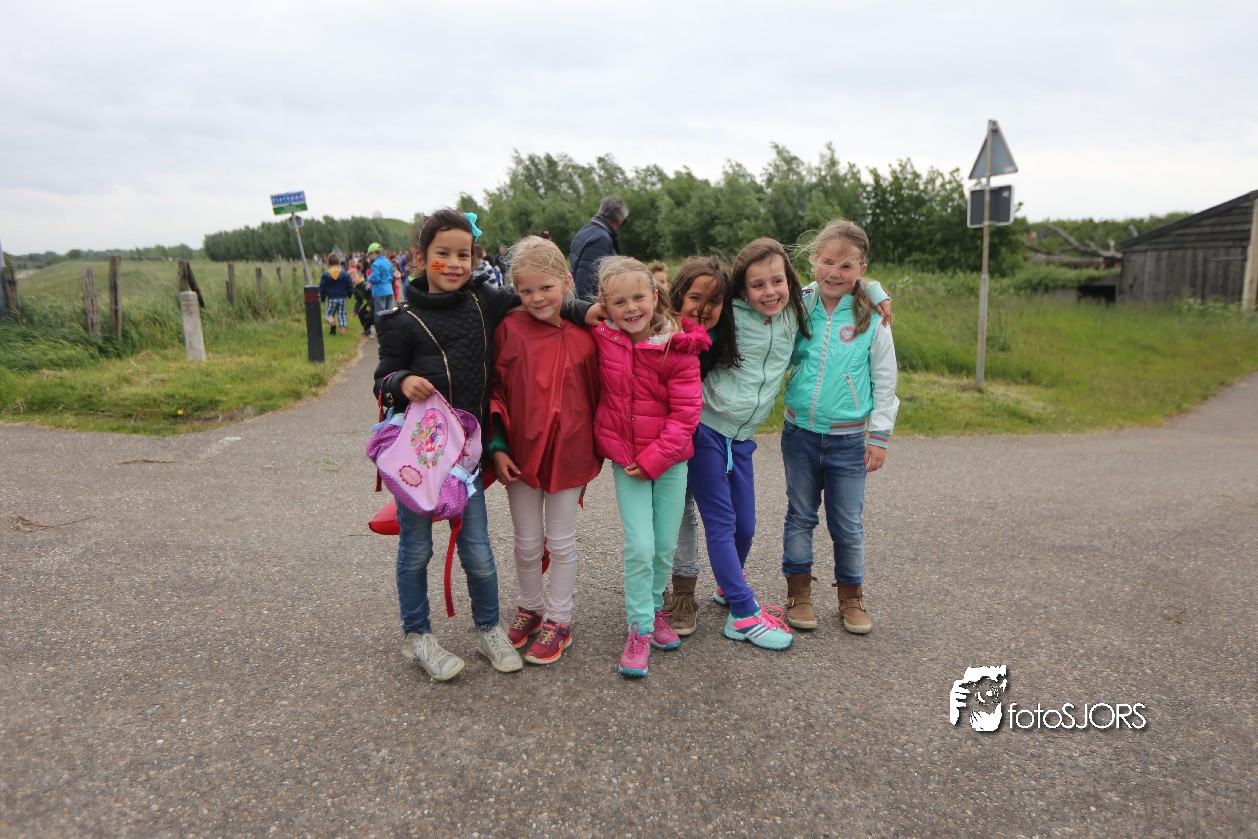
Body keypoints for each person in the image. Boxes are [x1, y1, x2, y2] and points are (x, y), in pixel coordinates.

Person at [373, 209, 597, 681]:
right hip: (420, 456)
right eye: (443, 254)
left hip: (467, 459)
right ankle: (417, 634)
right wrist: (402, 380)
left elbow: (542, 296)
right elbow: (383, 379)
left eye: (465, 254)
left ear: (475, 259)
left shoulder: (484, 301)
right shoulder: (399, 320)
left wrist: (583, 310)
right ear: (420, 257)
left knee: (477, 550)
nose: (455, 264)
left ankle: (489, 627)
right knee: (416, 550)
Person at [689, 238, 890, 652]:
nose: (769, 292)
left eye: (777, 281)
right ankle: (743, 614)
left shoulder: (795, 311)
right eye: (757, 285)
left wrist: (874, 290)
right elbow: (688, 302)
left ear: (790, 283)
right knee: (723, 524)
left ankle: (729, 585)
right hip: (706, 430)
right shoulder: (731, 314)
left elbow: (837, 282)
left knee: (746, 526)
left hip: (742, 439)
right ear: (742, 289)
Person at [591, 256, 709, 677]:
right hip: (627, 462)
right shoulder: (603, 337)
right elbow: (559, 305)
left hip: (670, 462)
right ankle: (639, 629)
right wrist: (587, 311)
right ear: (605, 306)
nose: (631, 308)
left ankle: (655, 607)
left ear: (655, 297)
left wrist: (655, 459)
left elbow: (687, 414)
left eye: (638, 297)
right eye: (619, 301)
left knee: (663, 545)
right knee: (640, 546)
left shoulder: (679, 346)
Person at [781, 220, 899, 634]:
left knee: (847, 524)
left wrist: (879, 436)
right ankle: (799, 594)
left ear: (862, 269)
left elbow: (885, 379)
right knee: (800, 515)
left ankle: (851, 597)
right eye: (827, 262)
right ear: (813, 260)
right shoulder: (800, 304)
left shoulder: (872, 316)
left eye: (846, 266)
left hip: (849, 440)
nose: (834, 273)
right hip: (799, 433)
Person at [488, 236, 602, 665]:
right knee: (526, 542)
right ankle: (530, 607)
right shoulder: (509, 331)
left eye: (546, 288)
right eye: (526, 290)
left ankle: (560, 618)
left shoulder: (588, 337)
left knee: (563, 540)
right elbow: (494, 390)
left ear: (567, 282)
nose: (537, 298)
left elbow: (602, 394)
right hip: (519, 454)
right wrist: (497, 447)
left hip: (570, 454)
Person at [660, 256, 738, 636]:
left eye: (714, 301)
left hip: (695, 436)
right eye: (695, 298)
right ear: (678, 295)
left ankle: (684, 592)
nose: (704, 309)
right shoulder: (659, 327)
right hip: (651, 434)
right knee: (654, 517)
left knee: (684, 511)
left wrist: (873, 290)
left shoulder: (720, 336)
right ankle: (655, 586)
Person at [569, 196, 628, 300]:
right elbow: (586, 279)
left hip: (573, 296)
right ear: (618, 220)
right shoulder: (601, 239)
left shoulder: (586, 229)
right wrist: (587, 307)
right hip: (584, 302)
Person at [318, 253, 353, 336]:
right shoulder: (345, 274)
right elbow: (349, 285)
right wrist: (350, 294)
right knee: (342, 315)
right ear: (339, 263)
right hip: (342, 298)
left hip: (332, 298)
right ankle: (343, 332)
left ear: (328, 264)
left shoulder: (326, 275)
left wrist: (322, 298)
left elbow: (322, 288)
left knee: (329, 314)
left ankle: (332, 323)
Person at [366, 242, 395, 314]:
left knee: (380, 314)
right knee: (389, 314)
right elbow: (392, 276)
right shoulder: (388, 262)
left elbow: (375, 278)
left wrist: (368, 278)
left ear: (373, 253)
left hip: (379, 291)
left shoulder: (375, 264)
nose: (370, 257)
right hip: (389, 290)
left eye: (370, 254)